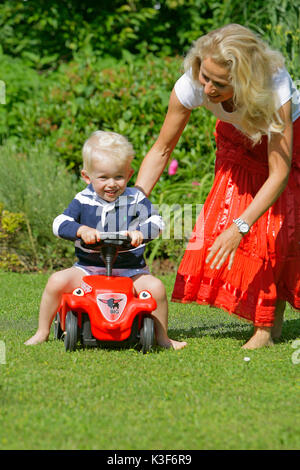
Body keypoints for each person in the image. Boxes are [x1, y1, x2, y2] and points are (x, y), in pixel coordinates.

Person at [135, 24, 300, 349]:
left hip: (286, 141)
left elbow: (277, 175)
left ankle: (266, 329)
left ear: (243, 82)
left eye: (219, 84)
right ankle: (268, 326)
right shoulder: (192, 84)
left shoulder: (275, 88)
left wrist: (240, 227)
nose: (207, 88)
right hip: (236, 139)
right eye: (204, 77)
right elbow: (161, 150)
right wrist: (132, 203)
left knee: (272, 228)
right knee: (235, 219)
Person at [25, 130, 187, 350]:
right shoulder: (83, 199)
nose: (111, 184)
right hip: (88, 270)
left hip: (130, 272)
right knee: (56, 281)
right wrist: (81, 230)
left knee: (156, 287)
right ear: (87, 176)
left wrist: (141, 232)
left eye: (118, 177)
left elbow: (158, 222)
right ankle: (42, 331)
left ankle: (162, 338)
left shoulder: (136, 198)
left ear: (129, 175)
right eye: (103, 177)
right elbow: (59, 223)